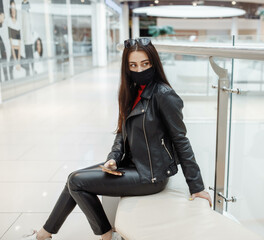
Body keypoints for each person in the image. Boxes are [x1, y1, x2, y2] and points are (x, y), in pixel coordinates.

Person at [22, 37, 212, 240]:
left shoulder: (164, 95)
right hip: (131, 164)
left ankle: (105, 234)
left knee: (77, 182)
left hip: (152, 175)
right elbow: (122, 133)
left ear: (154, 63)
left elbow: (180, 139)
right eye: (133, 65)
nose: (139, 70)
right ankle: (45, 233)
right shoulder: (131, 92)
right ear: (127, 67)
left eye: (145, 64)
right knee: (73, 179)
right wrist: (113, 158)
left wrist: (197, 186)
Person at [8, 0, 29, 79]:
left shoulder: (18, 23)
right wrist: (16, 61)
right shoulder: (9, 22)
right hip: (13, 53)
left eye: (14, 7)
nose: (13, 10)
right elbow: (11, 44)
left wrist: (19, 60)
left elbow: (19, 43)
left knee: (27, 66)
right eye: (11, 8)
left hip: (18, 53)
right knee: (10, 70)